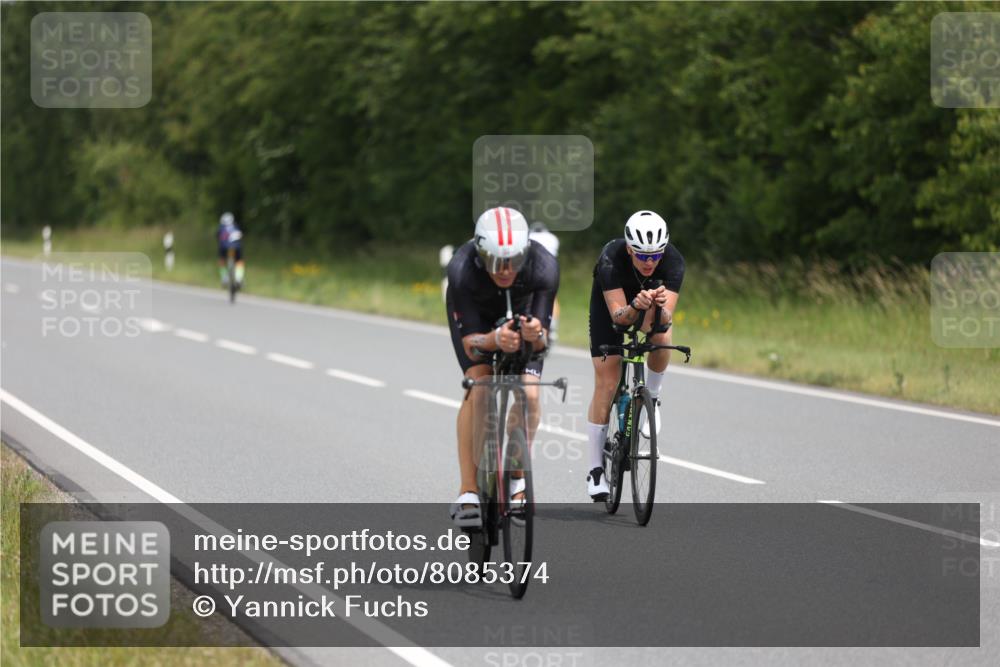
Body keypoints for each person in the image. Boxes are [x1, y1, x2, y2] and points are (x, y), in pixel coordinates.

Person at [446, 207, 559, 527]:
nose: (506, 270)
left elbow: (542, 343)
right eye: (496, 262)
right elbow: (471, 345)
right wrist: (494, 339)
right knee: (479, 387)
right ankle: (468, 491)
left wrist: (535, 335)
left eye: (514, 261)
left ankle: (516, 478)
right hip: (479, 321)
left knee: (530, 395)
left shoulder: (544, 266)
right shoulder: (462, 268)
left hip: (523, 315)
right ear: (481, 256)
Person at [585, 210, 684, 500]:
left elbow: (664, 321)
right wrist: (635, 305)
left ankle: (652, 397)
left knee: (662, 336)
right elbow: (619, 319)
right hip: (612, 309)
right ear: (629, 249)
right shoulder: (611, 258)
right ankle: (595, 470)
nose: (649, 262)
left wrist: (659, 306)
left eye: (655, 255)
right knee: (608, 381)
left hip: (648, 307)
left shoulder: (674, 261)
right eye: (642, 255)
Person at [528, 222, 561, 342]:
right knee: (552, 297)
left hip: (533, 269)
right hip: (551, 269)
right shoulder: (553, 238)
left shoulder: (529, 236)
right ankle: (553, 327)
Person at [217, 212, 245, 287]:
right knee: (239, 261)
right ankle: (239, 278)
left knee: (222, 260)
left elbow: (217, 236)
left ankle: (224, 277)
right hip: (236, 247)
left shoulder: (221, 227)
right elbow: (241, 236)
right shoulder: (236, 226)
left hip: (224, 248)